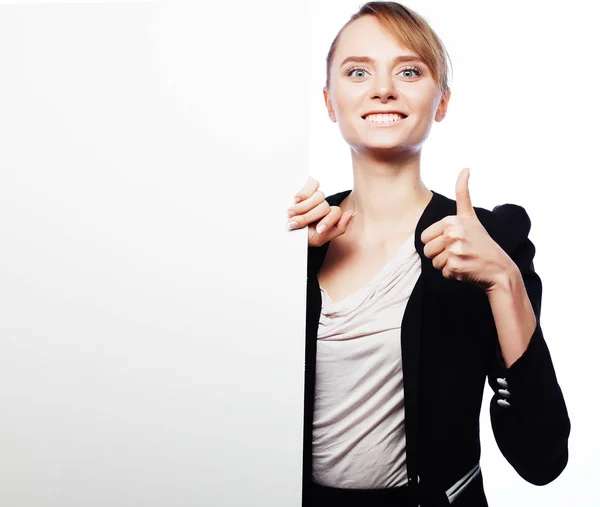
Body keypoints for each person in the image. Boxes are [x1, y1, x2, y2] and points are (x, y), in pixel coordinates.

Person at [285, 2, 570, 506]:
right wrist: (278, 271)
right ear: (329, 102)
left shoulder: (489, 239)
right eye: (357, 72)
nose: (382, 89)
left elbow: (542, 455)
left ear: (441, 102)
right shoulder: (293, 238)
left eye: (409, 71)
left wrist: (503, 279)